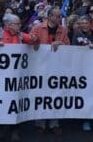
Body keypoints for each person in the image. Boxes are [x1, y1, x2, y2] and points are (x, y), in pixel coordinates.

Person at [0, 13, 38, 142]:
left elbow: (34, 40)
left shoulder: (21, 35)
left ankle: (14, 130)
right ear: (8, 25)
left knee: (16, 104)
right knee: (2, 103)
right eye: (17, 24)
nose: (20, 26)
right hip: (2, 77)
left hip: (17, 77)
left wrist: (34, 37)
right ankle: (1, 129)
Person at [30, 7, 70, 135]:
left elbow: (68, 46)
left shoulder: (63, 30)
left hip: (57, 67)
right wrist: (34, 42)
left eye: (60, 16)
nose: (58, 19)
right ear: (49, 16)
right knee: (41, 95)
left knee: (55, 94)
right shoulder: (38, 28)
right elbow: (30, 41)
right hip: (40, 67)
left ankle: (54, 123)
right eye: (56, 16)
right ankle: (40, 124)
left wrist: (61, 44)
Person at [71, 15, 93, 131]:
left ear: (90, 24)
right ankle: (85, 119)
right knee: (85, 95)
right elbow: (72, 49)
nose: (83, 25)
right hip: (82, 69)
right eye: (81, 23)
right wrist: (85, 47)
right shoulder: (76, 34)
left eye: (86, 23)